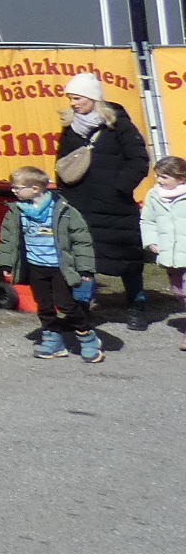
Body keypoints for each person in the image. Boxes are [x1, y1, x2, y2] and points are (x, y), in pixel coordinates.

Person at [53, 71, 153, 329]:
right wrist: (65, 193)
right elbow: (63, 163)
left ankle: (136, 304)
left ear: (92, 97)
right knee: (83, 258)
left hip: (114, 205)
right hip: (79, 203)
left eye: (77, 98)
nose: (73, 103)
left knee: (127, 256)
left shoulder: (119, 125)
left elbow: (139, 160)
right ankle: (81, 311)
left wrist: (119, 188)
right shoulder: (70, 128)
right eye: (70, 98)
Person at [0, 164, 102, 362]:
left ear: (35, 188)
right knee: (44, 305)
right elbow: (8, 240)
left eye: (17, 187)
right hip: (35, 267)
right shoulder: (16, 211)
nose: (13, 190)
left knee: (66, 304)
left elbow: (81, 241)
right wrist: (7, 264)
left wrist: (85, 268)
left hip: (60, 267)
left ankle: (87, 336)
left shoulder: (65, 211)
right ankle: (53, 340)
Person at [140, 155, 186, 351]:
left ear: (181, 178)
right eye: (158, 176)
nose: (159, 180)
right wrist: (152, 242)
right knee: (179, 291)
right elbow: (148, 221)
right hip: (169, 254)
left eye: (165, 177)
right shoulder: (154, 195)